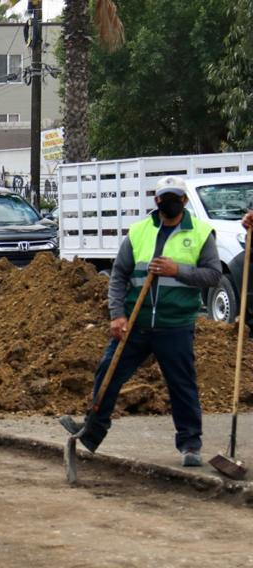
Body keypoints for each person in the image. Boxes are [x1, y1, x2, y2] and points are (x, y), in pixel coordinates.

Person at [59, 176, 222, 466]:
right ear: (156, 200)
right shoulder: (138, 232)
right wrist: (117, 315)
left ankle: (190, 445)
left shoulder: (200, 233)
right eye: (164, 197)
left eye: (175, 197)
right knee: (108, 372)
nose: (169, 201)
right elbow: (119, 275)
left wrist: (177, 270)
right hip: (136, 322)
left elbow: (213, 275)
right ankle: (90, 433)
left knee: (181, 385)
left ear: (184, 201)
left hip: (175, 324)